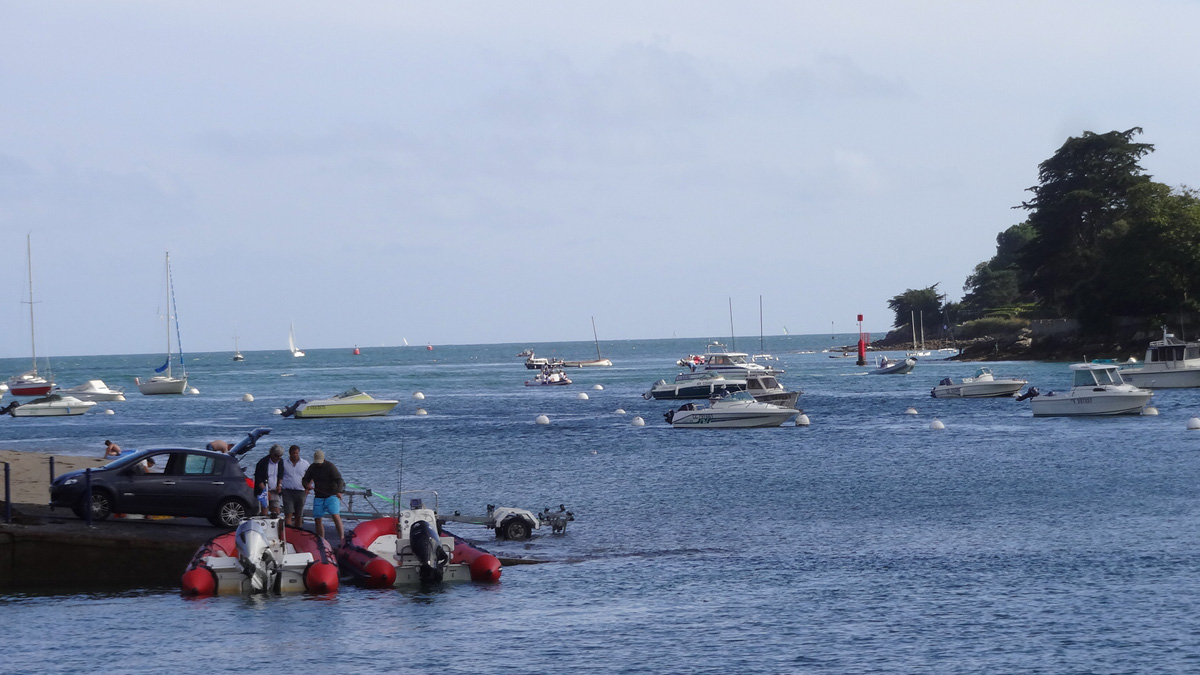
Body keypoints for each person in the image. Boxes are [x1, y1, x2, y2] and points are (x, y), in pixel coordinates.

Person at [302, 449, 345, 542]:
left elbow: (339, 480)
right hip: (319, 496)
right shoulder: (312, 468)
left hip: (331, 495)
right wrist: (306, 485)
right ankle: (321, 539)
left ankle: (342, 538)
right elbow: (305, 479)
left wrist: (339, 491)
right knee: (317, 518)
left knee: (335, 515)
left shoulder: (330, 467)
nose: (319, 464)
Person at [280, 444, 310, 529]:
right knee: (288, 513)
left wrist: (308, 487)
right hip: (287, 491)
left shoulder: (305, 463)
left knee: (299, 514)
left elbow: (310, 476)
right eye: (293, 453)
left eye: (297, 453)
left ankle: (298, 531)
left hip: (301, 491)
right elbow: (279, 476)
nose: (295, 455)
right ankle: (288, 531)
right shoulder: (284, 463)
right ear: (290, 453)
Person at [254, 444, 285, 517]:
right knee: (264, 511)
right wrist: (265, 491)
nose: (278, 458)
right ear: (271, 454)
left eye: (280, 456)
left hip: (275, 490)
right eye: (277, 456)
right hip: (263, 490)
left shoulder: (280, 462)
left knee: (276, 511)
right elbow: (258, 479)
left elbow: (280, 475)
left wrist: (279, 485)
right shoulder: (262, 463)